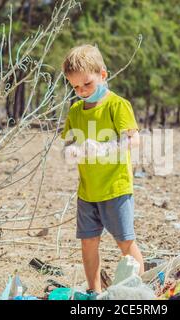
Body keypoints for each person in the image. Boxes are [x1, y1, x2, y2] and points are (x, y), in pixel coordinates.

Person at [60, 44, 144, 294]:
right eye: (75, 87)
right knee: (88, 243)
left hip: (115, 188)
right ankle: (94, 293)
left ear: (103, 75)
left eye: (87, 84)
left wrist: (106, 148)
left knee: (125, 242)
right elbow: (67, 145)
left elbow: (134, 139)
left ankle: (141, 292)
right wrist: (71, 152)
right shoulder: (75, 111)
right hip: (87, 191)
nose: (81, 91)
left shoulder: (117, 105)